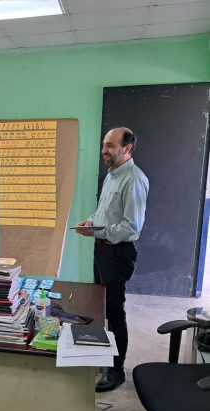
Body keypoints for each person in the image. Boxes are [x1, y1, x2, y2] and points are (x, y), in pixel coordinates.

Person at [75, 127, 149, 392]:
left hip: (118, 253)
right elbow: (104, 212)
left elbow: (131, 227)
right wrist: (91, 222)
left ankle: (117, 371)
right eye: (104, 144)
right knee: (101, 308)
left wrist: (99, 231)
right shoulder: (112, 175)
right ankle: (104, 358)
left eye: (110, 146)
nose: (103, 150)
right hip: (102, 250)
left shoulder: (134, 179)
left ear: (126, 149)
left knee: (114, 311)